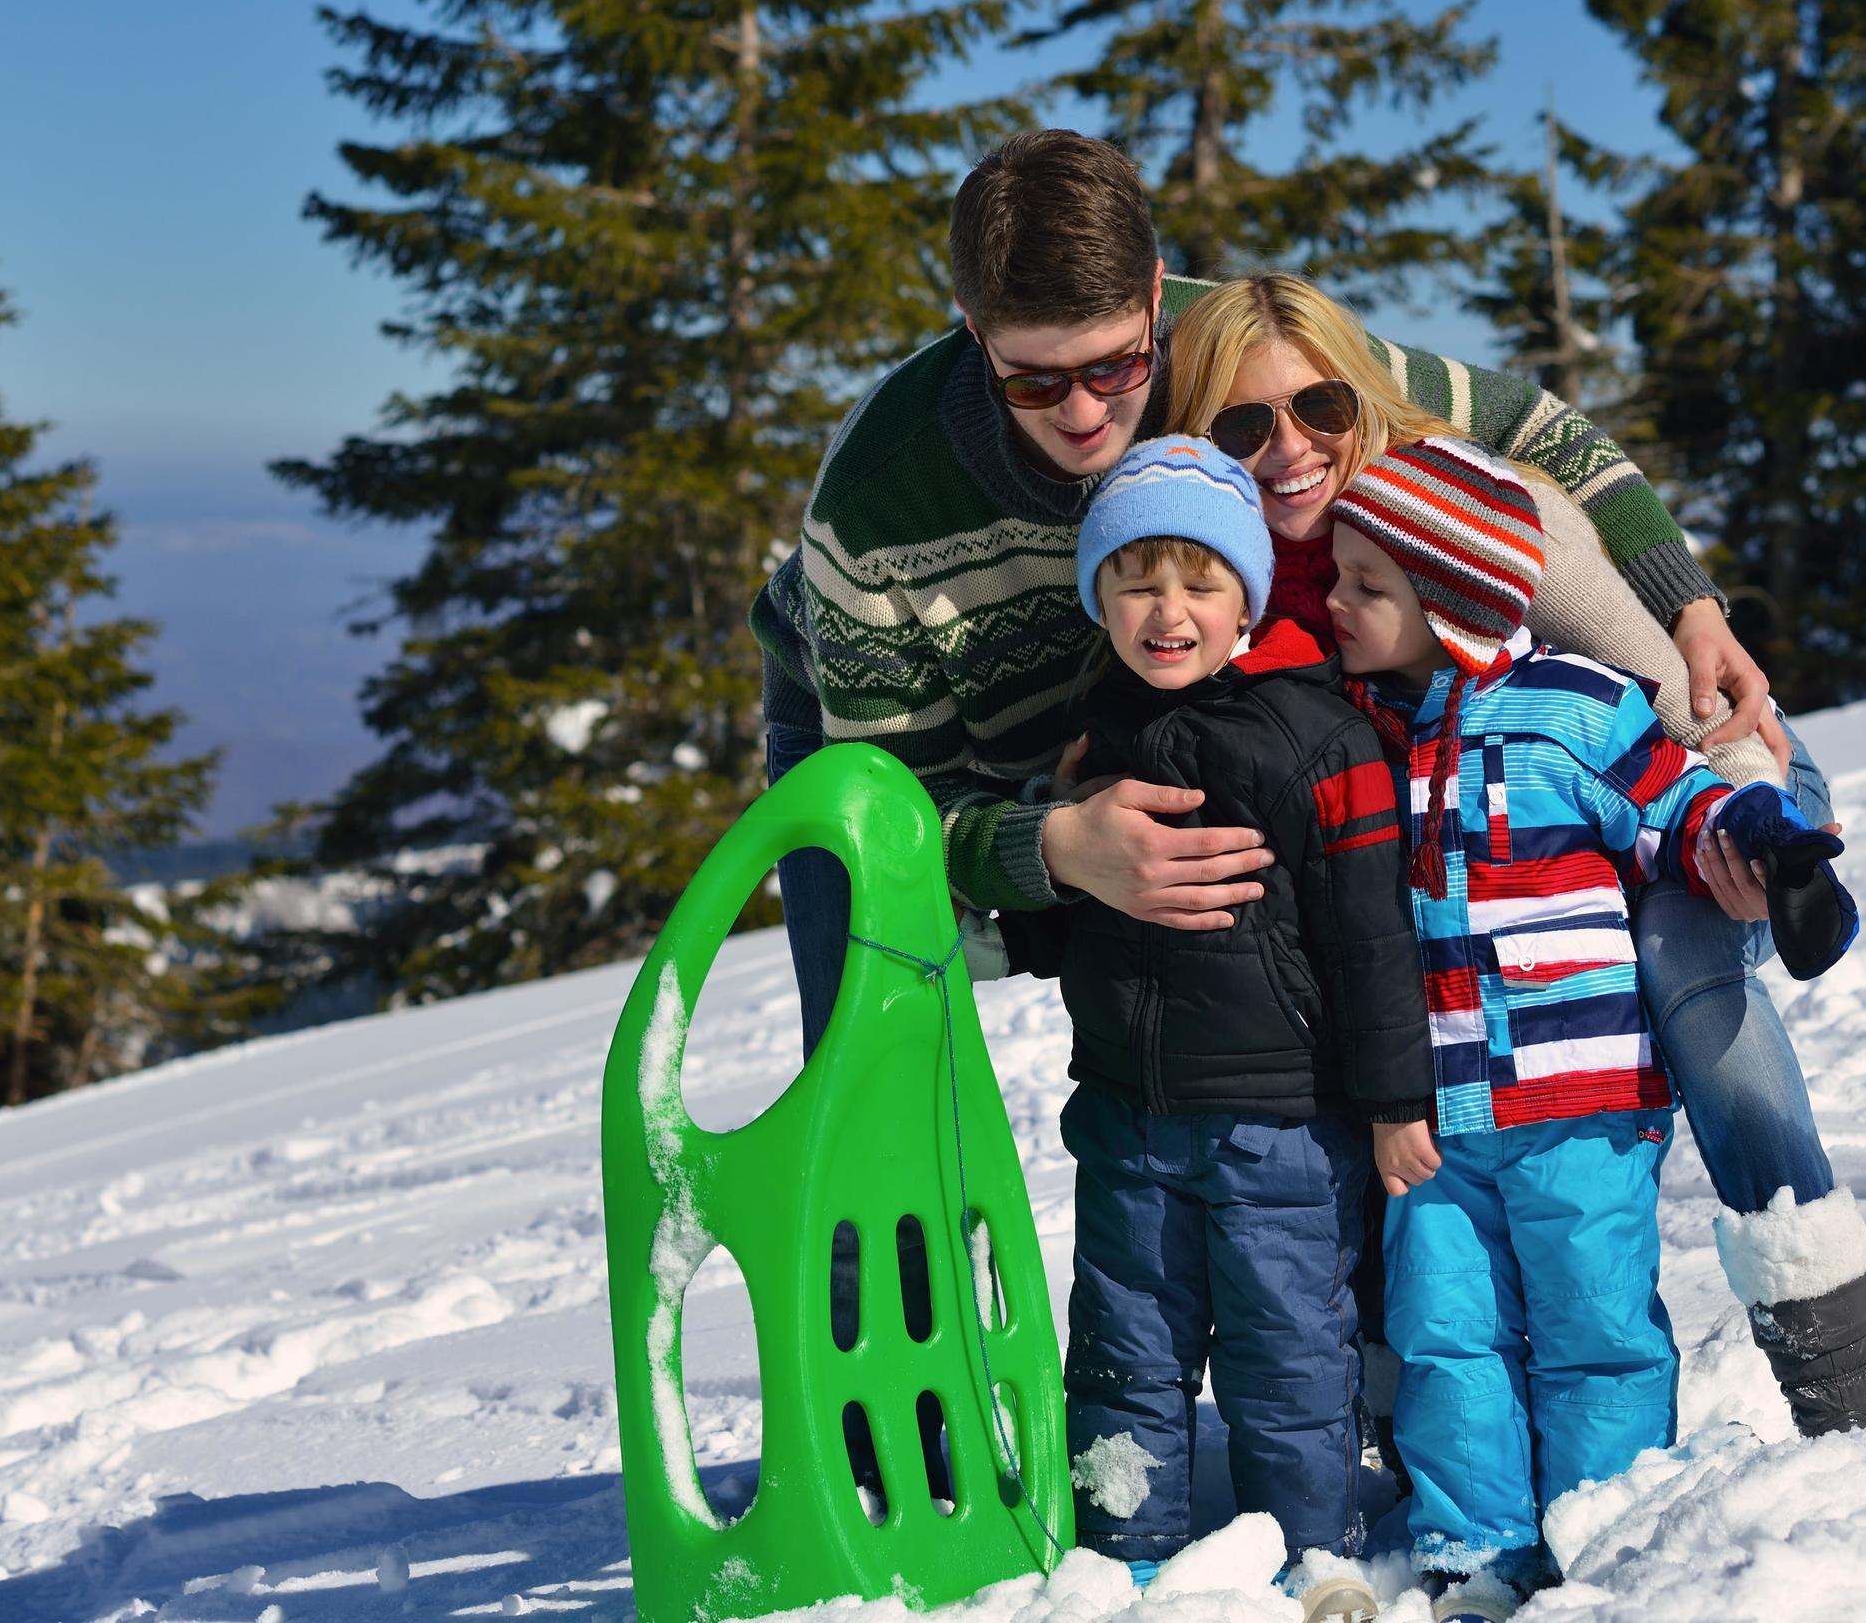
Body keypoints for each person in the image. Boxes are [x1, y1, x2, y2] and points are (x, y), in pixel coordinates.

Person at [750, 128, 1764, 1013]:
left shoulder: (1230, 350)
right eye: (1033, 379)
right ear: (974, 332)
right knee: (874, 1025)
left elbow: (1532, 427)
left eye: (1116, 365)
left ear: (1156, 299)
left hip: (1139, 709)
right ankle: (875, 1241)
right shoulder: (877, 503)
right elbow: (906, 818)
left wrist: (1687, 602)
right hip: (871, 728)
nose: (1085, 412)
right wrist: (1054, 846)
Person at [1162, 275, 1866, 1438]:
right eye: (1245, 427)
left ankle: (1830, 1363)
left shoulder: (1466, 513)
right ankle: (1424, 1402)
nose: (1291, 449)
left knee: (1678, 950)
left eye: (1322, 410)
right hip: (1492, 840)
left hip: (1691, 777)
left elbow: (1684, 707)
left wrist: (1754, 838)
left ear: (1366, 400)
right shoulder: (1223, 578)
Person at [1320, 438, 1857, 1609]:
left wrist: (1767, 843)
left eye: (1367, 583)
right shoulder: (1361, 734)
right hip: (1435, 1121)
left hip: (1583, 1104)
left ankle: (1607, 1536)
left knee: (1593, 1325)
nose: (1337, 600)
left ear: (1451, 600)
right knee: (1446, 1336)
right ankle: (1477, 1554)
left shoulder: (1577, 705)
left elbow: (1687, 800)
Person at [1000, 437, 1428, 1621]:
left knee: (1288, 1348)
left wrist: (1394, 1103)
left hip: (1282, 1124)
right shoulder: (1096, 736)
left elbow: (1371, 943)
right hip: (1129, 1118)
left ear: (1247, 595)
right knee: (1123, 1346)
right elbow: (1056, 929)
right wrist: (1052, 850)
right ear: (1101, 596)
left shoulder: (1318, 738)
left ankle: (1316, 1547)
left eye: (1200, 581)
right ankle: (1127, 1544)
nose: (1168, 609)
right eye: (1137, 580)